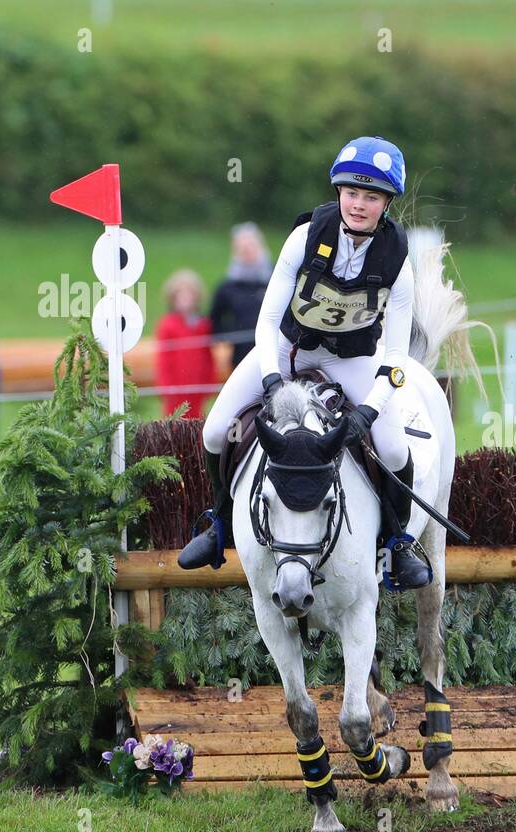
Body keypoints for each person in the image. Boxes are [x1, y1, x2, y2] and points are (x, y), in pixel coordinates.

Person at [178, 135, 431, 589]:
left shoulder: (398, 259)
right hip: (288, 348)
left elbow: (395, 358)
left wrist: (369, 412)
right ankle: (217, 523)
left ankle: (397, 544)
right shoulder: (306, 236)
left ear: (386, 203)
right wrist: (273, 379)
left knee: (393, 449)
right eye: (351, 193)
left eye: (371, 197)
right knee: (215, 430)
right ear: (338, 193)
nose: (358, 204)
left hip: (352, 358)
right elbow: (268, 318)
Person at [209, 223, 273, 370]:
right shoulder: (227, 288)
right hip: (242, 358)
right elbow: (214, 321)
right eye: (242, 248)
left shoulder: (277, 277)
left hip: (277, 353)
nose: (248, 251)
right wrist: (232, 336)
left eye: (251, 245)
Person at [155, 269, 217, 419]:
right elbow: (163, 360)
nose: (186, 299)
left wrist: (210, 382)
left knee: (196, 424)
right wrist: (166, 388)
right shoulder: (167, 324)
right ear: (173, 298)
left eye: (189, 295)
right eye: (181, 295)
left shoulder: (203, 325)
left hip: (198, 387)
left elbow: (208, 357)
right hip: (175, 389)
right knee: (175, 426)